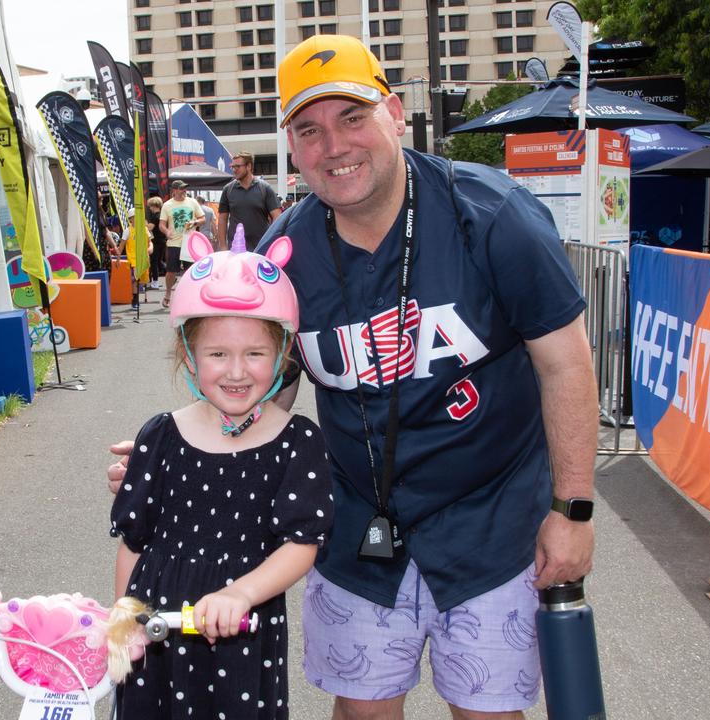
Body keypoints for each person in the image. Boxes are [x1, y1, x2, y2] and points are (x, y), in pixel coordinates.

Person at [111, 35, 596, 720]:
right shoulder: (290, 251)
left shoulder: (493, 216)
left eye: (352, 117)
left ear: (394, 113)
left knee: (488, 713)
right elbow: (261, 385)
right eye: (309, 130)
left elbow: (565, 360)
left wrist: (572, 510)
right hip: (355, 526)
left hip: (492, 523)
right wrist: (187, 451)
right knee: (363, 712)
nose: (333, 145)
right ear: (291, 145)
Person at [109, 229, 334, 719]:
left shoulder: (297, 442)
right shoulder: (162, 434)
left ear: (282, 355)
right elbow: (133, 540)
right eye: (217, 354)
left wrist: (241, 593)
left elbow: (303, 544)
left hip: (241, 635)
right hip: (157, 635)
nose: (237, 371)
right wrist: (123, 615)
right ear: (189, 356)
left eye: (255, 353)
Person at [218, 151, 282, 251]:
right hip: (235, 249)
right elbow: (222, 219)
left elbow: (277, 217)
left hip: (261, 248)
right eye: (232, 167)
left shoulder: (265, 188)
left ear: (248, 166)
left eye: (237, 167)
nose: (234, 170)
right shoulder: (228, 189)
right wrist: (222, 246)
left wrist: (271, 241)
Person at [159, 180, 205, 307]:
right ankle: (168, 293)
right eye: (181, 189)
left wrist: (195, 222)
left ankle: (191, 295)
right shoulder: (167, 205)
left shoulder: (193, 202)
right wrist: (167, 231)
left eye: (185, 188)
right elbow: (161, 225)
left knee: (191, 271)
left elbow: (203, 218)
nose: (184, 191)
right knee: (171, 271)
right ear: (174, 191)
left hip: (189, 242)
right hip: (174, 242)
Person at [147, 195, 168, 287]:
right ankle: (169, 272)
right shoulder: (162, 215)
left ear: (154, 205)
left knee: (154, 261)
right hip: (162, 240)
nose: (150, 208)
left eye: (150, 206)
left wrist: (144, 224)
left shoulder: (155, 216)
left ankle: (155, 281)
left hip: (156, 241)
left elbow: (150, 227)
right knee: (158, 261)